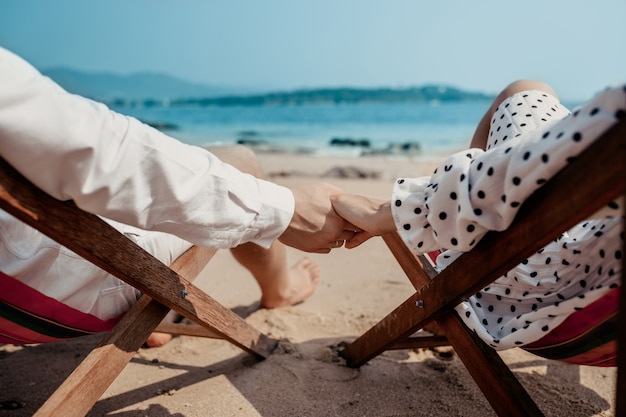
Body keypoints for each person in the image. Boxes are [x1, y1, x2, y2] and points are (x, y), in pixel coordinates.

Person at [0, 46, 354, 346]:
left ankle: (153, 308)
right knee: (241, 161)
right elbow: (96, 152)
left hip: (10, 310)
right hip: (63, 290)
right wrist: (281, 210)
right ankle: (280, 288)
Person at [332, 80, 624, 350]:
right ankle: (456, 213)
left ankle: (456, 231)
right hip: (602, 297)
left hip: (543, 283)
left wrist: (396, 211)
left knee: (523, 89)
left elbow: (587, 154)